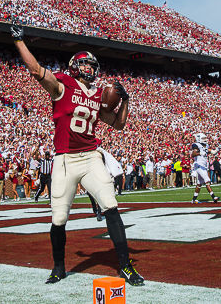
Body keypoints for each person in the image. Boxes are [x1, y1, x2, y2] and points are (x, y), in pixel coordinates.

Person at [11, 25, 143, 286]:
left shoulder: (97, 95)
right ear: (74, 66)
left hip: (91, 156)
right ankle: (58, 267)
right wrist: (19, 42)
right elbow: (36, 70)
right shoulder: (62, 86)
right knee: (59, 218)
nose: (90, 69)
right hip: (64, 159)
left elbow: (117, 124)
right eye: (85, 64)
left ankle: (125, 266)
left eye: (92, 66)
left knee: (111, 205)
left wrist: (125, 101)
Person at [190, 133, 220, 204]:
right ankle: (213, 197)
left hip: (204, 166)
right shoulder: (196, 145)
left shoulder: (206, 145)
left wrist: (217, 149)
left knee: (199, 183)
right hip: (199, 165)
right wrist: (199, 153)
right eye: (203, 138)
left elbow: (213, 152)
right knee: (207, 180)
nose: (205, 140)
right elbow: (192, 154)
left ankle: (194, 200)